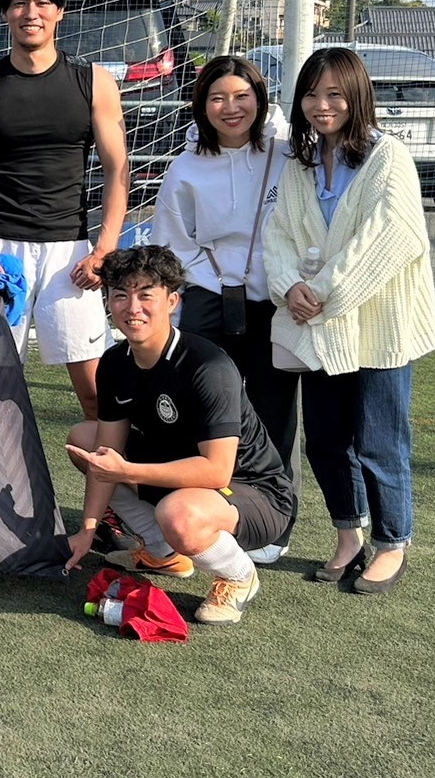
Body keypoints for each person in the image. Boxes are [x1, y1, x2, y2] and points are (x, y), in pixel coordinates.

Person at [263, 46, 435, 595]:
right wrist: (287, 285)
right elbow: (279, 234)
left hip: (379, 327)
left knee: (380, 442)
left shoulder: (388, 156)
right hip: (319, 328)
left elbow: (390, 238)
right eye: (312, 94)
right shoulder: (302, 161)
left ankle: (392, 542)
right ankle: (348, 536)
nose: (322, 105)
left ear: (358, 96)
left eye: (335, 94)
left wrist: (318, 292)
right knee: (326, 440)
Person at [64, 245, 296, 627]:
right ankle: (162, 553)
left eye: (146, 295)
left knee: (179, 514)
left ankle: (239, 576)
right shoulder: (114, 363)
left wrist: (127, 471)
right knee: (84, 440)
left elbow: (217, 471)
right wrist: (86, 529)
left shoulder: (207, 366)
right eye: (120, 295)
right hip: (179, 475)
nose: (132, 308)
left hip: (253, 490)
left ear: (172, 301)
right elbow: (107, 454)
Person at [0, 0, 130, 420]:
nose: (31, 12)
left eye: (42, 2)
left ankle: (108, 472)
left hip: (70, 254)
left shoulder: (95, 82)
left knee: (95, 394)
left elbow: (118, 170)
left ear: (59, 11)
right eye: (20, 2)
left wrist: (104, 250)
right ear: (6, 12)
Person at [151, 55, 298, 565]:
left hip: (276, 298)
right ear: (202, 106)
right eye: (217, 98)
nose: (230, 108)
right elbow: (172, 241)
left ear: (260, 99)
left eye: (241, 96)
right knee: (204, 411)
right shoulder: (185, 168)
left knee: (275, 411)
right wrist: (217, 279)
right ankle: (202, 512)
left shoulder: (286, 156)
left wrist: (273, 276)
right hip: (209, 300)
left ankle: (274, 523)